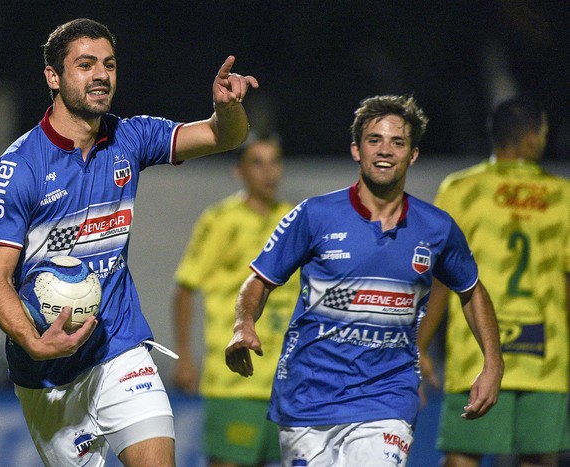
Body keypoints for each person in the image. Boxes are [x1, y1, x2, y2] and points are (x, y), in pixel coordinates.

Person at [0, 18, 258, 467]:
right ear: (54, 77)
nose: (101, 75)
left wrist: (227, 109)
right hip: (48, 376)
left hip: (119, 348)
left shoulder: (130, 137)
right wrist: (33, 341)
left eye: (108, 64)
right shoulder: (20, 169)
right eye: (85, 65)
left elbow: (223, 135)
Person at [225, 95, 504, 466]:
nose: (385, 151)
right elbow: (258, 282)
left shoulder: (436, 228)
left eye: (397, 142)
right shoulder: (314, 215)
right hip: (309, 397)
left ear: (413, 155)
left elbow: (471, 290)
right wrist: (244, 324)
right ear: (356, 150)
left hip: (388, 396)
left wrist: (493, 362)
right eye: (375, 140)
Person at [418, 97, 570, 467]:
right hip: (547, 355)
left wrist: (419, 345)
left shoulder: (462, 189)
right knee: (538, 460)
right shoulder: (562, 196)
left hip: (477, 352)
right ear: (532, 138)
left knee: (463, 457)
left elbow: (441, 278)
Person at [172, 136, 300, 466]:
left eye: (274, 162)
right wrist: (185, 356)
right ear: (238, 171)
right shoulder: (221, 220)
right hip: (234, 379)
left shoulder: (294, 220)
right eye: (257, 163)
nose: (268, 172)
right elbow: (186, 288)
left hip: (286, 382)